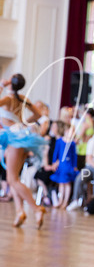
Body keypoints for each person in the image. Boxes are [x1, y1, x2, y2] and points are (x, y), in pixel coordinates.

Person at [0, 74, 47, 228]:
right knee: (12, 178)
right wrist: (23, 123)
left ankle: (36, 209)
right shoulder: (21, 98)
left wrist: (1, 85)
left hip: (15, 140)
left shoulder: (8, 99)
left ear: (11, 83)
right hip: (20, 137)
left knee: (13, 179)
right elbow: (38, 115)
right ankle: (20, 211)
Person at [66, 121, 94, 211]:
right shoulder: (92, 141)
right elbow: (89, 159)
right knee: (79, 178)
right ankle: (76, 200)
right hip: (91, 167)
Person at [49, 124, 78, 209]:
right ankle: (60, 200)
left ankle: (65, 201)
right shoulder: (59, 141)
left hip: (68, 165)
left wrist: (74, 166)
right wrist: (54, 162)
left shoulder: (72, 143)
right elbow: (56, 153)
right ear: (65, 131)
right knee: (61, 183)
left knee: (67, 183)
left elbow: (74, 155)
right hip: (61, 165)